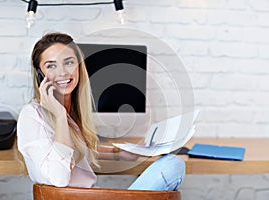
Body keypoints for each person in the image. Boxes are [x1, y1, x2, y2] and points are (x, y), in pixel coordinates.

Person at [17, 32, 185, 190]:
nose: (62, 72)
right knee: (172, 165)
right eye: (51, 65)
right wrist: (59, 116)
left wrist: (118, 153)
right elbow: (60, 178)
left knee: (171, 163)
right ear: (40, 74)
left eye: (69, 62)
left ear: (79, 67)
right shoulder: (32, 115)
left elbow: (77, 151)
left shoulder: (71, 114)